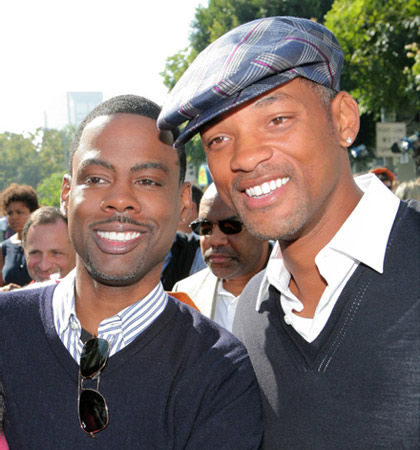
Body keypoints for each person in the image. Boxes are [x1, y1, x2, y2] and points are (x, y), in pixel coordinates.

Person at [158, 17, 420, 449]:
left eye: (277, 119)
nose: (245, 156)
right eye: (219, 139)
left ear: (343, 120)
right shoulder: (250, 315)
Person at [0, 94, 262, 449]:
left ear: (184, 203)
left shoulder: (220, 370)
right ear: (66, 193)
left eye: (148, 181)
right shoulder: (7, 329)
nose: (120, 198)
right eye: (95, 179)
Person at [173, 183, 271, 332]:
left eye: (231, 227)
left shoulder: (299, 288)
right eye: (205, 227)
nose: (215, 240)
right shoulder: (185, 294)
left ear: (265, 228)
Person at [0, 183, 39, 291]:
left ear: (33, 212)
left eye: (19, 212)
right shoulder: (3, 248)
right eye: (10, 213)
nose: (14, 217)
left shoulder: (44, 244)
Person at [22, 206, 76, 283]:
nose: (44, 266)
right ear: (24, 252)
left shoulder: (91, 295)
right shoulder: (21, 294)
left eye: (56, 253)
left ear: (77, 254)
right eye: (35, 253)